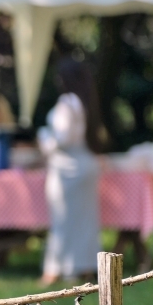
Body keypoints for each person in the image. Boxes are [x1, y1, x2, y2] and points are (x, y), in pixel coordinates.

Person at [37, 59, 103, 286]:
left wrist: (45, 140)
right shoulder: (84, 101)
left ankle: (55, 270)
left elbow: (62, 137)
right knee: (84, 222)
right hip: (85, 165)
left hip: (68, 169)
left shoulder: (67, 102)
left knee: (63, 221)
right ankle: (83, 268)